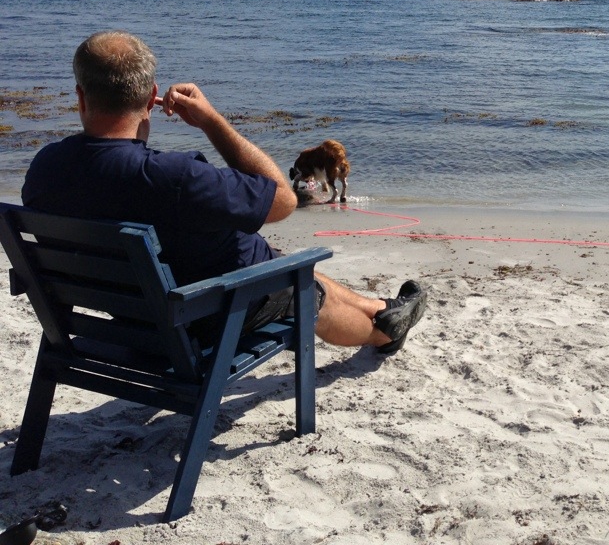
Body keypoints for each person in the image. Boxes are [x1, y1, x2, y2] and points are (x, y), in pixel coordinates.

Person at [22, 30, 426, 354]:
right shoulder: (176, 177)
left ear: (80, 97)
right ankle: (384, 334)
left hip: (133, 318)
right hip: (206, 319)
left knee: (284, 265)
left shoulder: (44, 170)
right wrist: (212, 122)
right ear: (150, 98)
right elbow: (283, 200)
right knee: (304, 287)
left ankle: (381, 308)